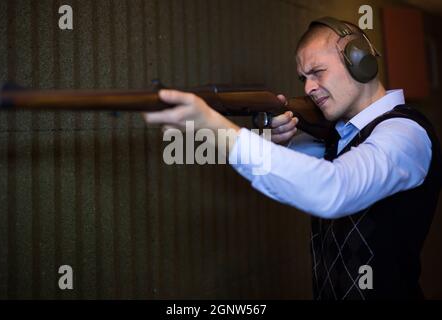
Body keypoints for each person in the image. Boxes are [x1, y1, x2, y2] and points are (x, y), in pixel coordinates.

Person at [143, 17, 442, 300]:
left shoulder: (405, 133)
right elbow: (287, 174)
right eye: (303, 78)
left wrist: (213, 125)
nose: (308, 88)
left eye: (317, 72)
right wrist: (275, 142)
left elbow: (334, 189)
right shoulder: (336, 137)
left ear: (360, 60)